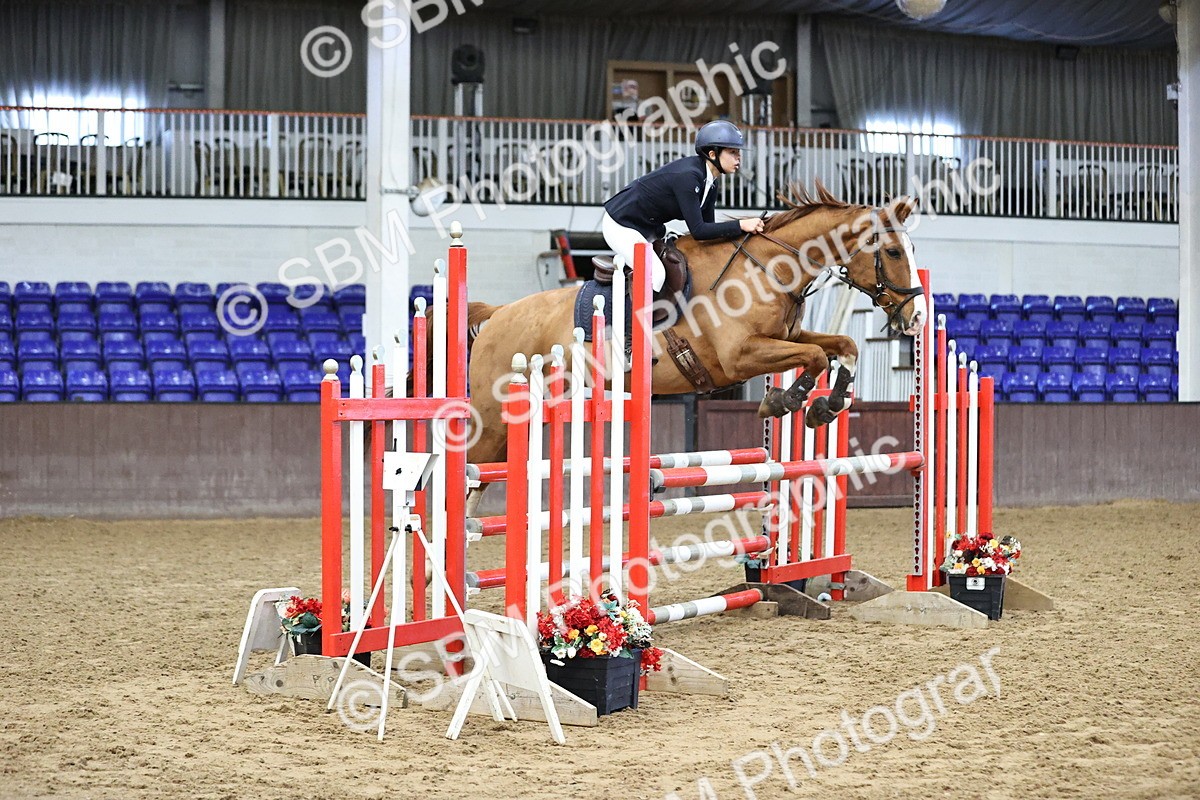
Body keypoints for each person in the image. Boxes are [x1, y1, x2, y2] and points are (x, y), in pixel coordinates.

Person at [601, 119, 765, 293]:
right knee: (656, 275)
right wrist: (741, 224)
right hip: (621, 225)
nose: (738, 157)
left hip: (650, 227)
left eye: (738, 152)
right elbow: (699, 230)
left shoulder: (711, 183)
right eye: (732, 152)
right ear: (712, 154)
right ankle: (629, 319)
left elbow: (708, 233)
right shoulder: (689, 176)